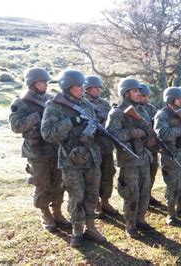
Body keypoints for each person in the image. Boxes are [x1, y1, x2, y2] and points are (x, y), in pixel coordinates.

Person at [41, 69, 105, 247]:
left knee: (92, 194)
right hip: (71, 160)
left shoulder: (85, 104)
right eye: (79, 86)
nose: (82, 89)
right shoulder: (54, 106)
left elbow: (95, 124)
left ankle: (91, 228)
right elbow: (47, 133)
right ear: (67, 86)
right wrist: (71, 122)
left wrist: (98, 123)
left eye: (83, 85)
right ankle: (77, 231)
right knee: (76, 196)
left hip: (91, 157)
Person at [9, 67, 70, 233]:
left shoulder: (50, 99)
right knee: (42, 183)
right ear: (32, 83)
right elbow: (16, 126)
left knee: (58, 182)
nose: (45, 84)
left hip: (55, 148)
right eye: (42, 82)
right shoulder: (20, 102)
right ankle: (45, 213)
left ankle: (57, 212)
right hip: (36, 151)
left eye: (46, 81)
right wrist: (36, 117)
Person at [106, 78, 155, 237]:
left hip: (144, 157)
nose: (138, 93)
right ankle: (130, 224)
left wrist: (150, 138)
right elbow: (111, 134)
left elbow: (147, 131)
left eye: (138, 91)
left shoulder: (142, 110)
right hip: (129, 159)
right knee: (131, 193)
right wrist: (132, 133)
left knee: (145, 191)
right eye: (135, 91)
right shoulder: (117, 112)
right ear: (126, 93)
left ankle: (140, 219)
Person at [154, 87, 181, 225]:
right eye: (179, 98)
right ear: (171, 99)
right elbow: (161, 133)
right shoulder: (162, 115)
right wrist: (180, 132)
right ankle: (171, 213)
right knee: (173, 185)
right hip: (170, 156)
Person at [83, 75, 119, 216]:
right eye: (95, 87)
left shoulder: (104, 103)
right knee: (94, 177)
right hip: (93, 147)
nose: (98, 90)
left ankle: (105, 201)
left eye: (99, 87)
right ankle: (96, 204)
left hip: (106, 146)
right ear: (87, 88)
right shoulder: (83, 103)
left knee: (108, 174)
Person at [138, 83, 160, 206]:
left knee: (152, 171)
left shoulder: (151, 108)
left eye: (147, 96)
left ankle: (148, 194)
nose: (145, 98)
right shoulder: (133, 109)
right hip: (141, 147)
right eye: (142, 96)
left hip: (153, 147)